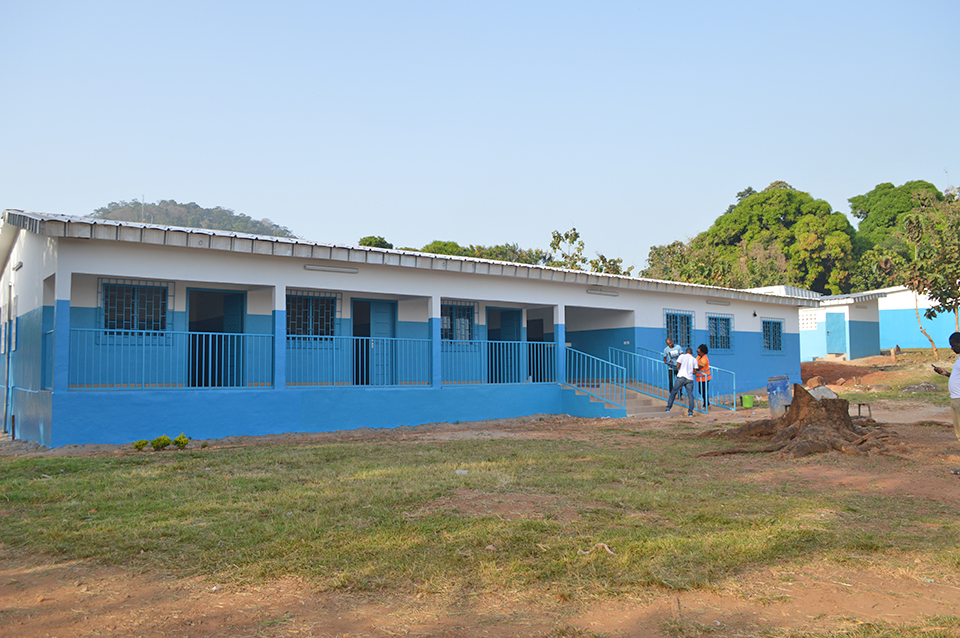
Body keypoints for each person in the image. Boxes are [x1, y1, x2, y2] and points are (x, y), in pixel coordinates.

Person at [932, 332, 960, 473]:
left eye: (953, 345)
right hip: (955, 400)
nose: (952, 348)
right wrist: (946, 374)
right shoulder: (959, 359)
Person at [665, 347, 696, 417]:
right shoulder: (694, 360)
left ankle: (668, 408)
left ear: (686, 352)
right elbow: (694, 371)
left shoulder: (682, 356)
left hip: (681, 377)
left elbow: (678, 366)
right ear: (691, 353)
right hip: (690, 379)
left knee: (673, 392)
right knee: (690, 395)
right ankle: (690, 412)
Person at [695, 344, 711, 411]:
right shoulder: (699, 357)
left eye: (699, 352)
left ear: (703, 352)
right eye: (697, 351)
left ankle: (706, 405)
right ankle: (707, 403)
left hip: (705, 378)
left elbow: (699, 367)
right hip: (700, 378)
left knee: (704, 392)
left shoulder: (704, 359)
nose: (697, 353)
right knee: (701, 391)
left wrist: (693, 369)